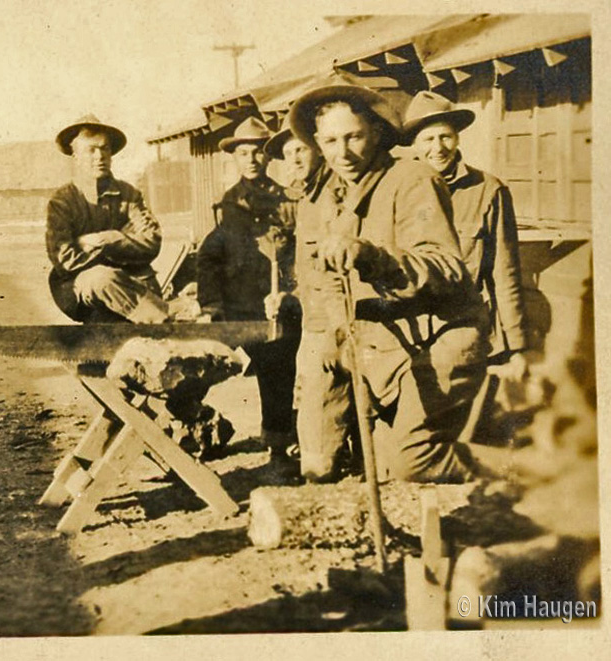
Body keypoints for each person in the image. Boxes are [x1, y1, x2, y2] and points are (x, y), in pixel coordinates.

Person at [289, 73, 491, 483]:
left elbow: (446, 266)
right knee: (316, 460)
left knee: (410, 462)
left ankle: (522, 471)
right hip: (372, 339)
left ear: (377, 133)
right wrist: (335, 333)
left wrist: (374, 258)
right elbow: (327, 278)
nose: (343, 152)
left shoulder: (412, 179)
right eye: (330, 142)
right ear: (317, 143)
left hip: (438, 338)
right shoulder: (332, 196)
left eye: (354, 137)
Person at [196, 116, 300, 478]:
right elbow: (209, 257)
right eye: (244, 153)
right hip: (238, 307)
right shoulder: (227, 205)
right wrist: (212, 307)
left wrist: (290, 290)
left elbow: (297, 254)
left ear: (269, 157)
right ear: (235, 159)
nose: (252, 159)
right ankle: (197, 429)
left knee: (279, 372)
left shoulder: (288, 201)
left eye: (258, 152)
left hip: (279, 303)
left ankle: (278, 447)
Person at [403, 91, 529, 382]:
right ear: (414, 144)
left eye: (445, 137)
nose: (438, 148)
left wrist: (517, 347)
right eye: (428, 139)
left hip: (466, 332)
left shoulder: (488, 190)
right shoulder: (399, 190)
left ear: (458, 138)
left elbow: (504, 271)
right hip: (409, 337)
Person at [264, 112, 361, 482]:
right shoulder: (307, 198)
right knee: (313, 405)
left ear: (319, 150)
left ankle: (325, 476)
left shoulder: (336, 192)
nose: (296, 159)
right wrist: (290, 295)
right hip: (314, 319)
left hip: (336, 320)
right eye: (289, 154)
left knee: (322, 409)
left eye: (302, 150)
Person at [46, 114, 169, 323]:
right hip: (78, 286)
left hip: (130, 282)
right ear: (75, 155)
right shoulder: (63, 201)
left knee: (145, 281)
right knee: (103, 277)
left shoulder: (129, 194)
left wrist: (104, 239)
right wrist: (125, 241)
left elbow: (151, 241)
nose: (99, 156)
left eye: (105, 149)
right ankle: (164, 320)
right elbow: (65, 259)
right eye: (91, 150)